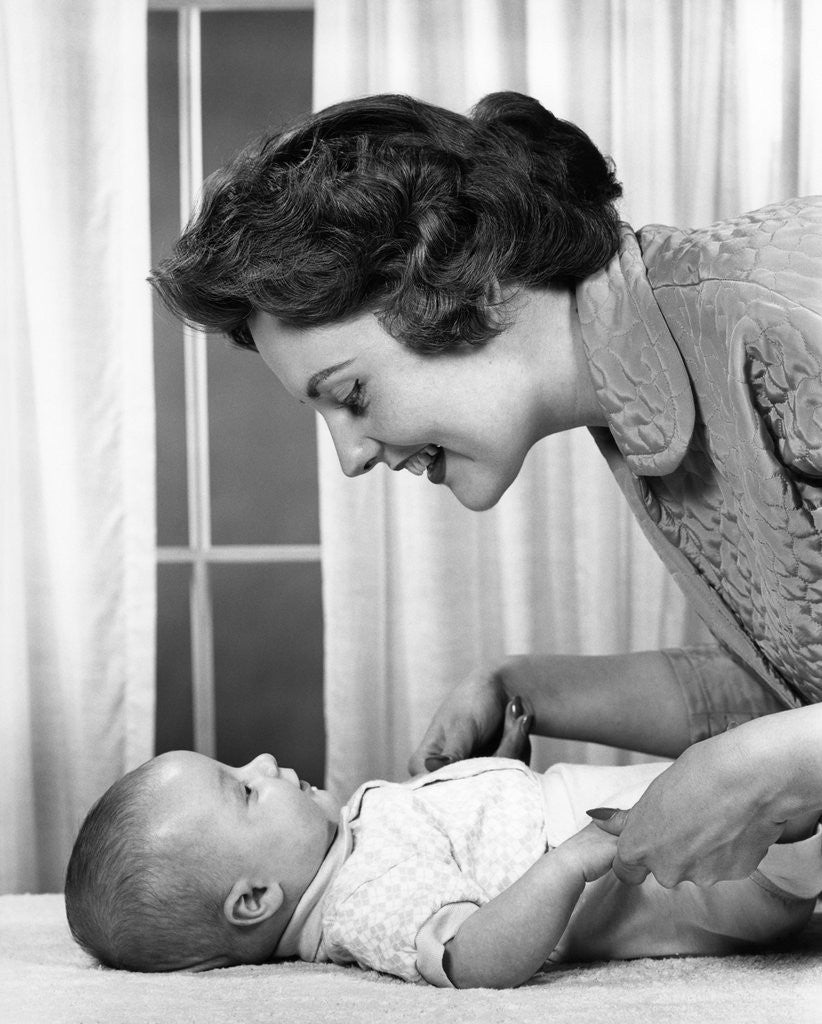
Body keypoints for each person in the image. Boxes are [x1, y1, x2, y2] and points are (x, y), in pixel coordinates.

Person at [149, 91, 822, 892]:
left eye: (352, 394)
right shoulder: (643, 402)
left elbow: (782, 739)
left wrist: (752, 766)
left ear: (479, 284)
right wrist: (522, 689)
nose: (350, 457)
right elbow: (793, 686)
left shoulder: (783, 302)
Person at [64, 704, 821, 987]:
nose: (261, 763)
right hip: (655, 879)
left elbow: (467, 855)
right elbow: (471, 956)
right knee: (779, 822)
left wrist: (497, 774)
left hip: (628, 826)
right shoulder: (363, 902)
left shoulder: (351, 850)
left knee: (768, 785)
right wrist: (567, 860)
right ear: (254, 899)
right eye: (243, 789)